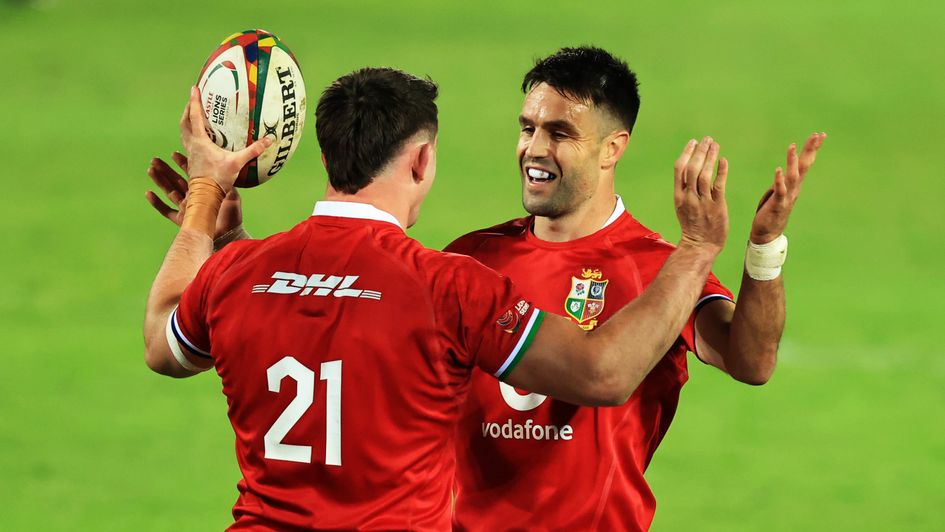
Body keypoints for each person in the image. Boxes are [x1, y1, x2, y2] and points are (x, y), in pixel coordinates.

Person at [143, 66, 731, 530]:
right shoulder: (448, 286)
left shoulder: (237, 273)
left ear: (325, 157)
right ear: (422, 160)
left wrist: (205, 202)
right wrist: (697, 247)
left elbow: (162, 343)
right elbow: (603, 374)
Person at [442, 47, 826, 530]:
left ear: (612, 148)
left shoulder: (662, 269)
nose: (534, 149)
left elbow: (751, 362)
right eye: (527, 128)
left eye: (559, 133)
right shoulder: (470, 257)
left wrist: (764, 247)